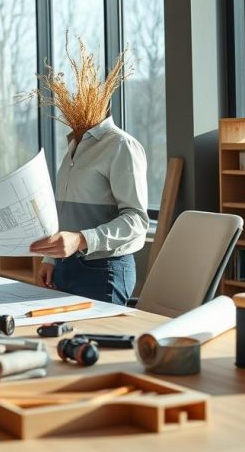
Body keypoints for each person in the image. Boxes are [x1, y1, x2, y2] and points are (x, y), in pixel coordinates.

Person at [29, 42, 148, 304]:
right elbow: (63, 213)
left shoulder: (121, 145)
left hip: (104, 270)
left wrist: (81, 240)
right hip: (64, 267)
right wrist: (51, 259)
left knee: (98, 341)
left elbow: (137, 220)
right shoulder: (74, 146)